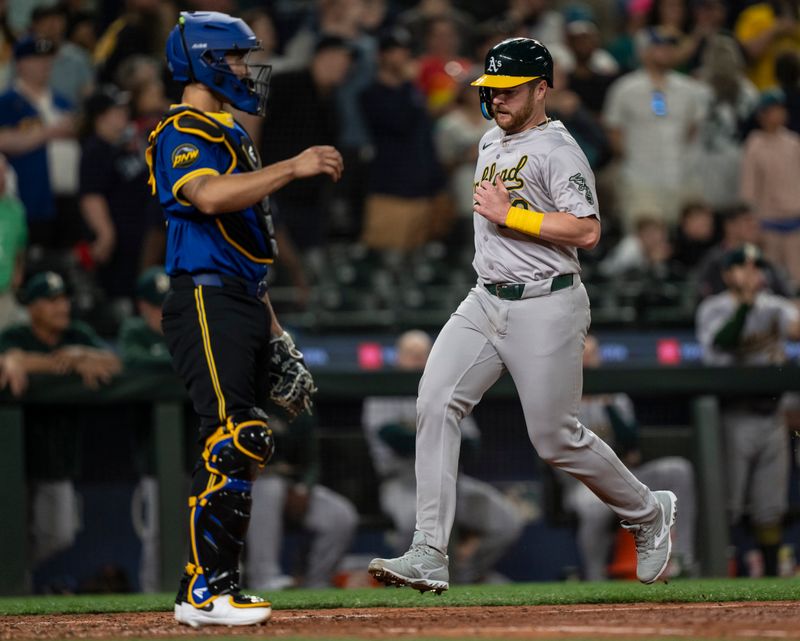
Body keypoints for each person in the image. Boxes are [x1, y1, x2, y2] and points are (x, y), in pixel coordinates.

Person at [368, 38, 678, 594]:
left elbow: (586, 229)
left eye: (508, 91)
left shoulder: (561, 149)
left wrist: (515, 216)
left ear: (541, 88)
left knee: (555, 439)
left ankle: (649, 513)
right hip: (485, 299)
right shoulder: (490, 139)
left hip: (547, 303)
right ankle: (429, 551)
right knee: (435, 401)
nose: (497, 101)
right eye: (491, 91)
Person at [146, 11, 342, 628]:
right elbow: (204, 195)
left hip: (240, 295)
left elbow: (244, 250)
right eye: (235, 59)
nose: (245, 70)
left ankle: (202, 586)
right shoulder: (182, 128)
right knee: (235, 436)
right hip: (204, 298)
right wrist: (291, 166)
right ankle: (208, 591)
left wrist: (276, 329)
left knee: (242, 439)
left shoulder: (227, 128)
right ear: (204, 61)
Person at [363, 330, 523, 584]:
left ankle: (465, 576)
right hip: (404, 483)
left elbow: (471, 445)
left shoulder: (448, 388)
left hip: (453, 481)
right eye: (410, 355)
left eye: (422, 354)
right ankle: (408, 583)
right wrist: (444, 437)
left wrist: (430, 438)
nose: (417, 360)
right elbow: (394, 439)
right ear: (399, 358)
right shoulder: (385, 389)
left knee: (507, 521)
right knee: (410, 524)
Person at [0, 271, 121, 566]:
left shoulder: (76, 334)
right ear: (31, 306)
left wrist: (81, 353)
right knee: (9, 533)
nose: (62, 306)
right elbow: (7, 358)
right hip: (12, 459)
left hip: (57, 457)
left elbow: (117, 363)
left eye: (64, 298)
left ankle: (12, 580)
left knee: (58, 533)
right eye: (51, 300)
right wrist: (62, 363)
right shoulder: (15, 335)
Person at [696, 244, 800, 575]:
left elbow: (796, 328)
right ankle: (722, 571)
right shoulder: (713, 308)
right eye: (743, 267)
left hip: (771, 414)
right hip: (732, 415)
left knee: (770, 506)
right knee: (729, 503)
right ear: (727, 274)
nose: (752, 273)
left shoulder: (773, 306)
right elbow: (722, 342)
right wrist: (744, 307)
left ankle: (769, 579)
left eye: (756, 267)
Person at [563, 335, 697, 581]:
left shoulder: (615, 396)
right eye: (584, 354)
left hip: (623, 476)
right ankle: (595, 578)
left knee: (679, 470)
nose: (589, 360)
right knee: (591, 507)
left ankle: (681, 558)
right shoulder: (561, 397)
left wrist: (607, 404)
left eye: (594, 354)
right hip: (584, 484)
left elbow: (630, 443)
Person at [245, 407, 358, 590]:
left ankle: (317, 582)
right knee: (269, 488)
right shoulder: (240, 402)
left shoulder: (299, 410)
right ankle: (263, 578)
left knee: (340, 514)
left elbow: (311, 461)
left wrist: (303, 488)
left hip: (291, 486)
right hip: (247, 490)